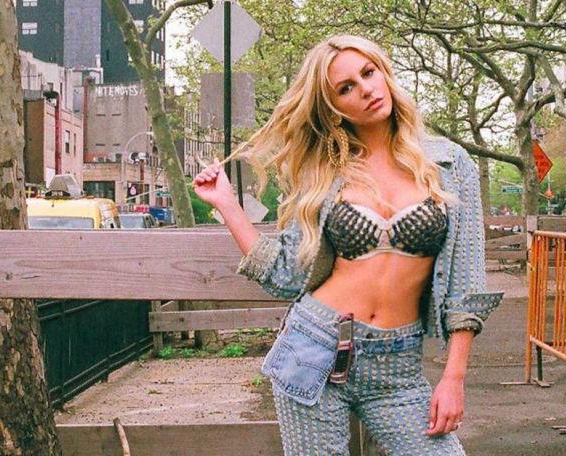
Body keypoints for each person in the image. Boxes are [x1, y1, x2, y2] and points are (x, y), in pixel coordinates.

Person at [193, 35, 503, 456]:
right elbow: (286, 276)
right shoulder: (326, 172)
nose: (366, 90)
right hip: (313, 348)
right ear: (334, 108)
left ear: (384, 72)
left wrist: (454, 378)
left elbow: (466, 285)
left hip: (398, 367)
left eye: (369, 73)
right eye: (346, 88)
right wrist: (227, 204)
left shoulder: (448, 163)